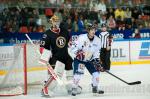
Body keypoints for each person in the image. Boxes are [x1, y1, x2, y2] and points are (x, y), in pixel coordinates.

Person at [39, 15, 81, 97]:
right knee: (57, 75)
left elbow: (70, 42)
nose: (56, 23)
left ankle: (70, 87)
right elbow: (42, 47)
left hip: (66, 55)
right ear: (51, 22)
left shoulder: (64, 31)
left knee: (70, 72)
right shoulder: (47, 34)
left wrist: (76, 49)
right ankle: (45, 89)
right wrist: (44, 56)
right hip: (56, 57)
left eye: (57, 21)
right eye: (54, 21)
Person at [68, 23, 104, 96]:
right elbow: (72, 47)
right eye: (91, 30)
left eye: (94, 30)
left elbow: (97, 52)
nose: (93, 31)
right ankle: (74, 88)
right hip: (79, 60)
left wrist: (96, 61)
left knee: (96, 74)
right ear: (88, 30)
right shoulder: (81, 38)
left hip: (90, 60)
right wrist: (78, 53)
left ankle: (95, 87)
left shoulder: (97, 40)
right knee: (78, 74)